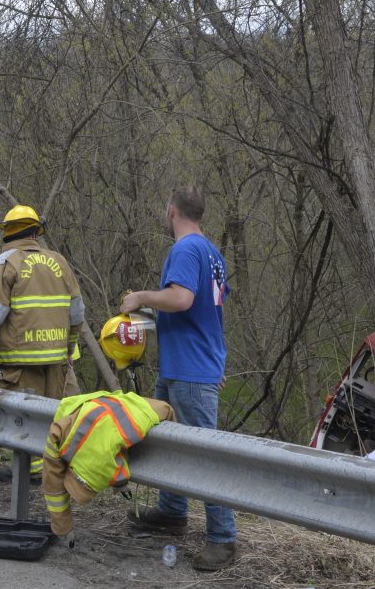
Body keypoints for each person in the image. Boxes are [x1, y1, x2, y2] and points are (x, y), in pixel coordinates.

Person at [120, 186, 237, 571]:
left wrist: (141, 298)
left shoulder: (186, 249)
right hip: (185, 366)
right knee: (168, 444)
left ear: (172, 211)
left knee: (204, 456)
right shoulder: (213, 253)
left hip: (190, 369)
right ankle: (172, 511)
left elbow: (183, 299)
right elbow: (210, 314)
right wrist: (215, 363)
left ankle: (223, 538)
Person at [0, 205, 84, 482]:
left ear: (7, 232)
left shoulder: (5, 263)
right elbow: (77, 313)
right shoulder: (59, 261)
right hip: (56, 357)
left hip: (20, 358)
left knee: (23, 418)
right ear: (36, 232)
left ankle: (32, 471)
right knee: (53, 416)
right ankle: (53, 470)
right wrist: (68, 349)